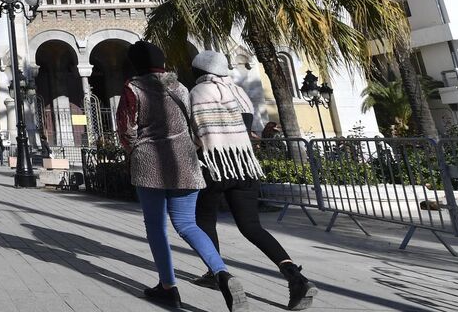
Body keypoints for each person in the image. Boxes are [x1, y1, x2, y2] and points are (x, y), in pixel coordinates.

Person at [115, 40, 247, 312]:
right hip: (185, 160)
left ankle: (168, 288)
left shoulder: (133, 88)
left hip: (150, 162)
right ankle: (222, 273)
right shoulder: (181, 87)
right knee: (188, 224)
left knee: (156, 227)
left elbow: (126, 128)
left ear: (136, 64)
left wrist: (133, 151)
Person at [189, 51, 316, 310]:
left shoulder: (198, 94)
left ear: (199, 72)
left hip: (214, 167)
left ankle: (217, 273)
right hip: (245, 166)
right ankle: (296, 277)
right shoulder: (239, 93)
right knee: (252, 227)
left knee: (203, 221)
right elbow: (247, 130)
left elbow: (197, 133)